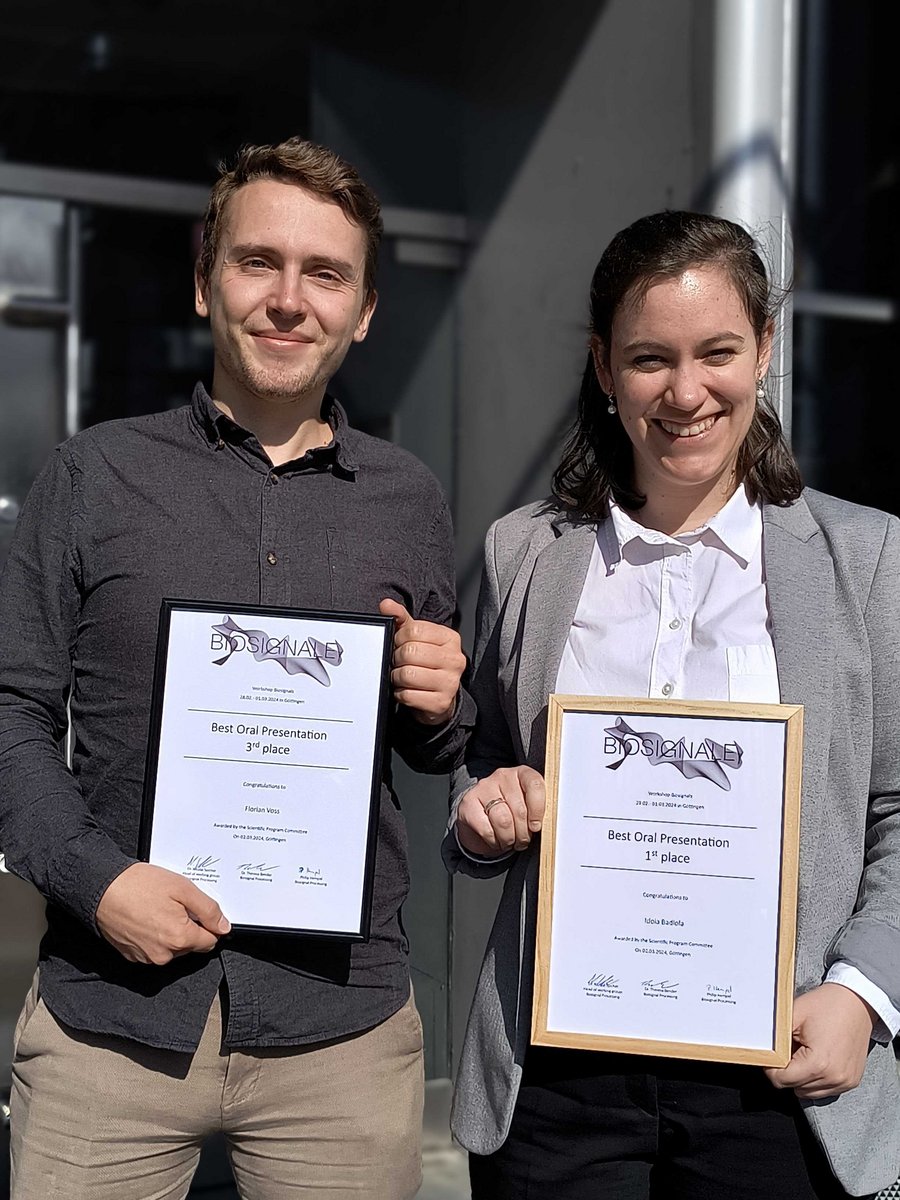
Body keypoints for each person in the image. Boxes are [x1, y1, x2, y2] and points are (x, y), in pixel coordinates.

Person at [0, 136, 471, 1200]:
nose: (289, 300)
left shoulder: (407, 497)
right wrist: (96, 881)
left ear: (365, 311)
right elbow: (11, 708)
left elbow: (433, 743)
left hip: (340, 1035)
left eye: (326, 275)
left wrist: (442, 699)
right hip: (110, 1024)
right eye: (259, 262)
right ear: (206, 282)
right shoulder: (93, 475)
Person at [443, 210, 900, 1199]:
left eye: (717, 353)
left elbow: (899, 810)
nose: (686, 393)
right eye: (651, 358)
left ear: (765, 349)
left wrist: (864, 994)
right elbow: (484, 762)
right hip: (558, 1079)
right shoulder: (525, 552)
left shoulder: (868, 559)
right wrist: (483, 813)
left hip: (778, 1080)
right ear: (604, 368)